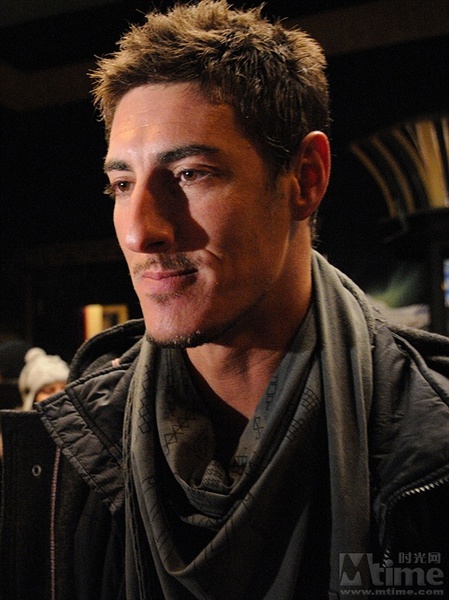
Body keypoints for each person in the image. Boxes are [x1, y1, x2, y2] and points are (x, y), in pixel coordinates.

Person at [1, 1, 449, 598]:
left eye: (191, 174)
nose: (139, 232)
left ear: (306, 179)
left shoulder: (432, 438)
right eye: (122, 184)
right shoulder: (64, 456)